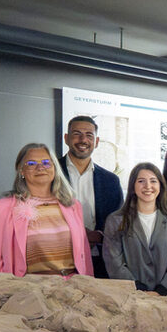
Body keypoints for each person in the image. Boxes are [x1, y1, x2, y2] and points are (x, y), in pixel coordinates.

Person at [0, 142, 93, 277]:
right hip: (28, 290)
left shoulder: (72, 205)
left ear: (54, 168)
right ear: (21, 170)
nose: (40, 167)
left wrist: (88, 283)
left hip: (72, 286)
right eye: (31, 164)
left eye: (47, 162)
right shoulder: (1, 208)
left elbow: (84, 254)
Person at [103, 162, 167, 295]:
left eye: (153, 181)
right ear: (133, 186)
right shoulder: (115, 221)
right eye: (141, 181)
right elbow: (114, 263)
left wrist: (161, 290)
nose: (148, 186)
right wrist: (137, 288)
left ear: (160, 185)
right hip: (129, 294)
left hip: (165, 296)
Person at [59, 115, 123, 278]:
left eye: (89, 135)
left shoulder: (111, 181)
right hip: (58, 260)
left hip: (100, 262)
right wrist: (77, 234)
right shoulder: (51, 174)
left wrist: (100, 235)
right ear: (66, 138)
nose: (83, 140)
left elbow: (119, 223)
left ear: (96, 141)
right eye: (77, 134)